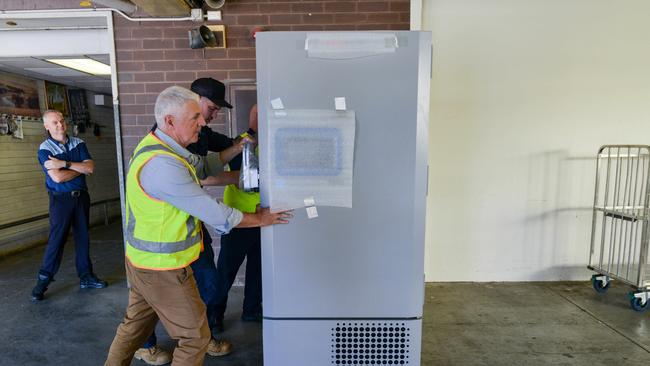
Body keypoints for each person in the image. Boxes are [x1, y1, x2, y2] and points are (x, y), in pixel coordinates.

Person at [104, 86, 292, 366]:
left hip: (143, 262)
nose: (203, 122)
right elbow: (215, 213)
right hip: (163, 266)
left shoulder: (160, 146)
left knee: (133, 329)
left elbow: (203, 166)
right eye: (195, 117)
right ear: (170, 121)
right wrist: (260, 218)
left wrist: (237, 149)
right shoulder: (163, 165)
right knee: (195, 339)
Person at [134, 78, 246, 365]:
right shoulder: (163, 149)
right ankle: (151, 345)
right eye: (207, 109)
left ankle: (204, 336)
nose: (210, 116)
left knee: (207, 284)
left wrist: (244, 144)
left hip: (188, 230)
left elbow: (218, 156)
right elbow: (201, 180)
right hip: (159, 247)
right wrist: (248, 198)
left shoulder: (202, 133)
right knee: (150, 307)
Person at [31, 110, 107, 302]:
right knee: (57, 240)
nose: (60, 125)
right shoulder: (45, 149)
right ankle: (43, 281)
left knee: (83, 238)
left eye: (62, 121)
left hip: (81, 197)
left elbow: (89, 168)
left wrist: (64, 163)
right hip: (61, 199)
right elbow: (57, 177)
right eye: (54, 122)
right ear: (47, 127)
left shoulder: (78, 143)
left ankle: (86, 277)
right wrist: (77, 168)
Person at [213, 103, 262, 329]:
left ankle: (251, 310)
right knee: (226, 271)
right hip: (239, 220)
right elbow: (233, 176)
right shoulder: (240, 144)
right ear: (253, 119)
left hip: (264, 218)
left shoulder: (275, 143)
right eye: (260, 116)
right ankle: (214, 317)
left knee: (258, 270)